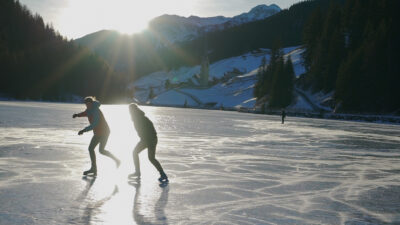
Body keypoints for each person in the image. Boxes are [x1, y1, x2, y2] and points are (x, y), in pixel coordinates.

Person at [73, 96, 120, 175]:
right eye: (86, 104)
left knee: (101, 150)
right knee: (91, 149)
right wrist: (77, 115)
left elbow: (94, 124)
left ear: (91, 103)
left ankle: (117, 160)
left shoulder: (96, 111)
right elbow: (86, 113)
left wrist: (83, 130)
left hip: (104, 132)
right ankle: (93, 169)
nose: (87, 105)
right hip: (98, 133)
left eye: (88, 104)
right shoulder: (89, 109)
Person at [128, 103, 168, 182]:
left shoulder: (139, 118)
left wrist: (147, 140)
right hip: (150, 139)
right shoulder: (139, 117)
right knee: (150, 158)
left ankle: (138, 172)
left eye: (130, 110)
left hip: (149, 139)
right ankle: (162, 174)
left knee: (136, 153)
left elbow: (146, 130)